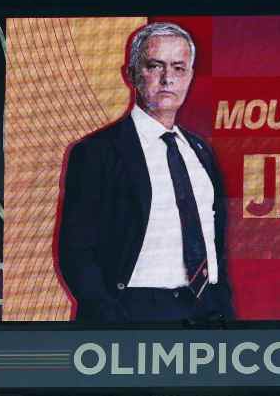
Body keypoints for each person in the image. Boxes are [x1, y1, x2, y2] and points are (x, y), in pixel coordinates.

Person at [56, 21, 233, 323]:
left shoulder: (200, 152)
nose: (168, 79)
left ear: (190, 75)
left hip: (206, 310)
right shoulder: (97, 152)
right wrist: (111, 317)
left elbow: (215, 242)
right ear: (131, 74)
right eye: (155, 66)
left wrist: (223, 312)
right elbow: (76, 251)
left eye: (179, 68)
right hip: (134, 310)